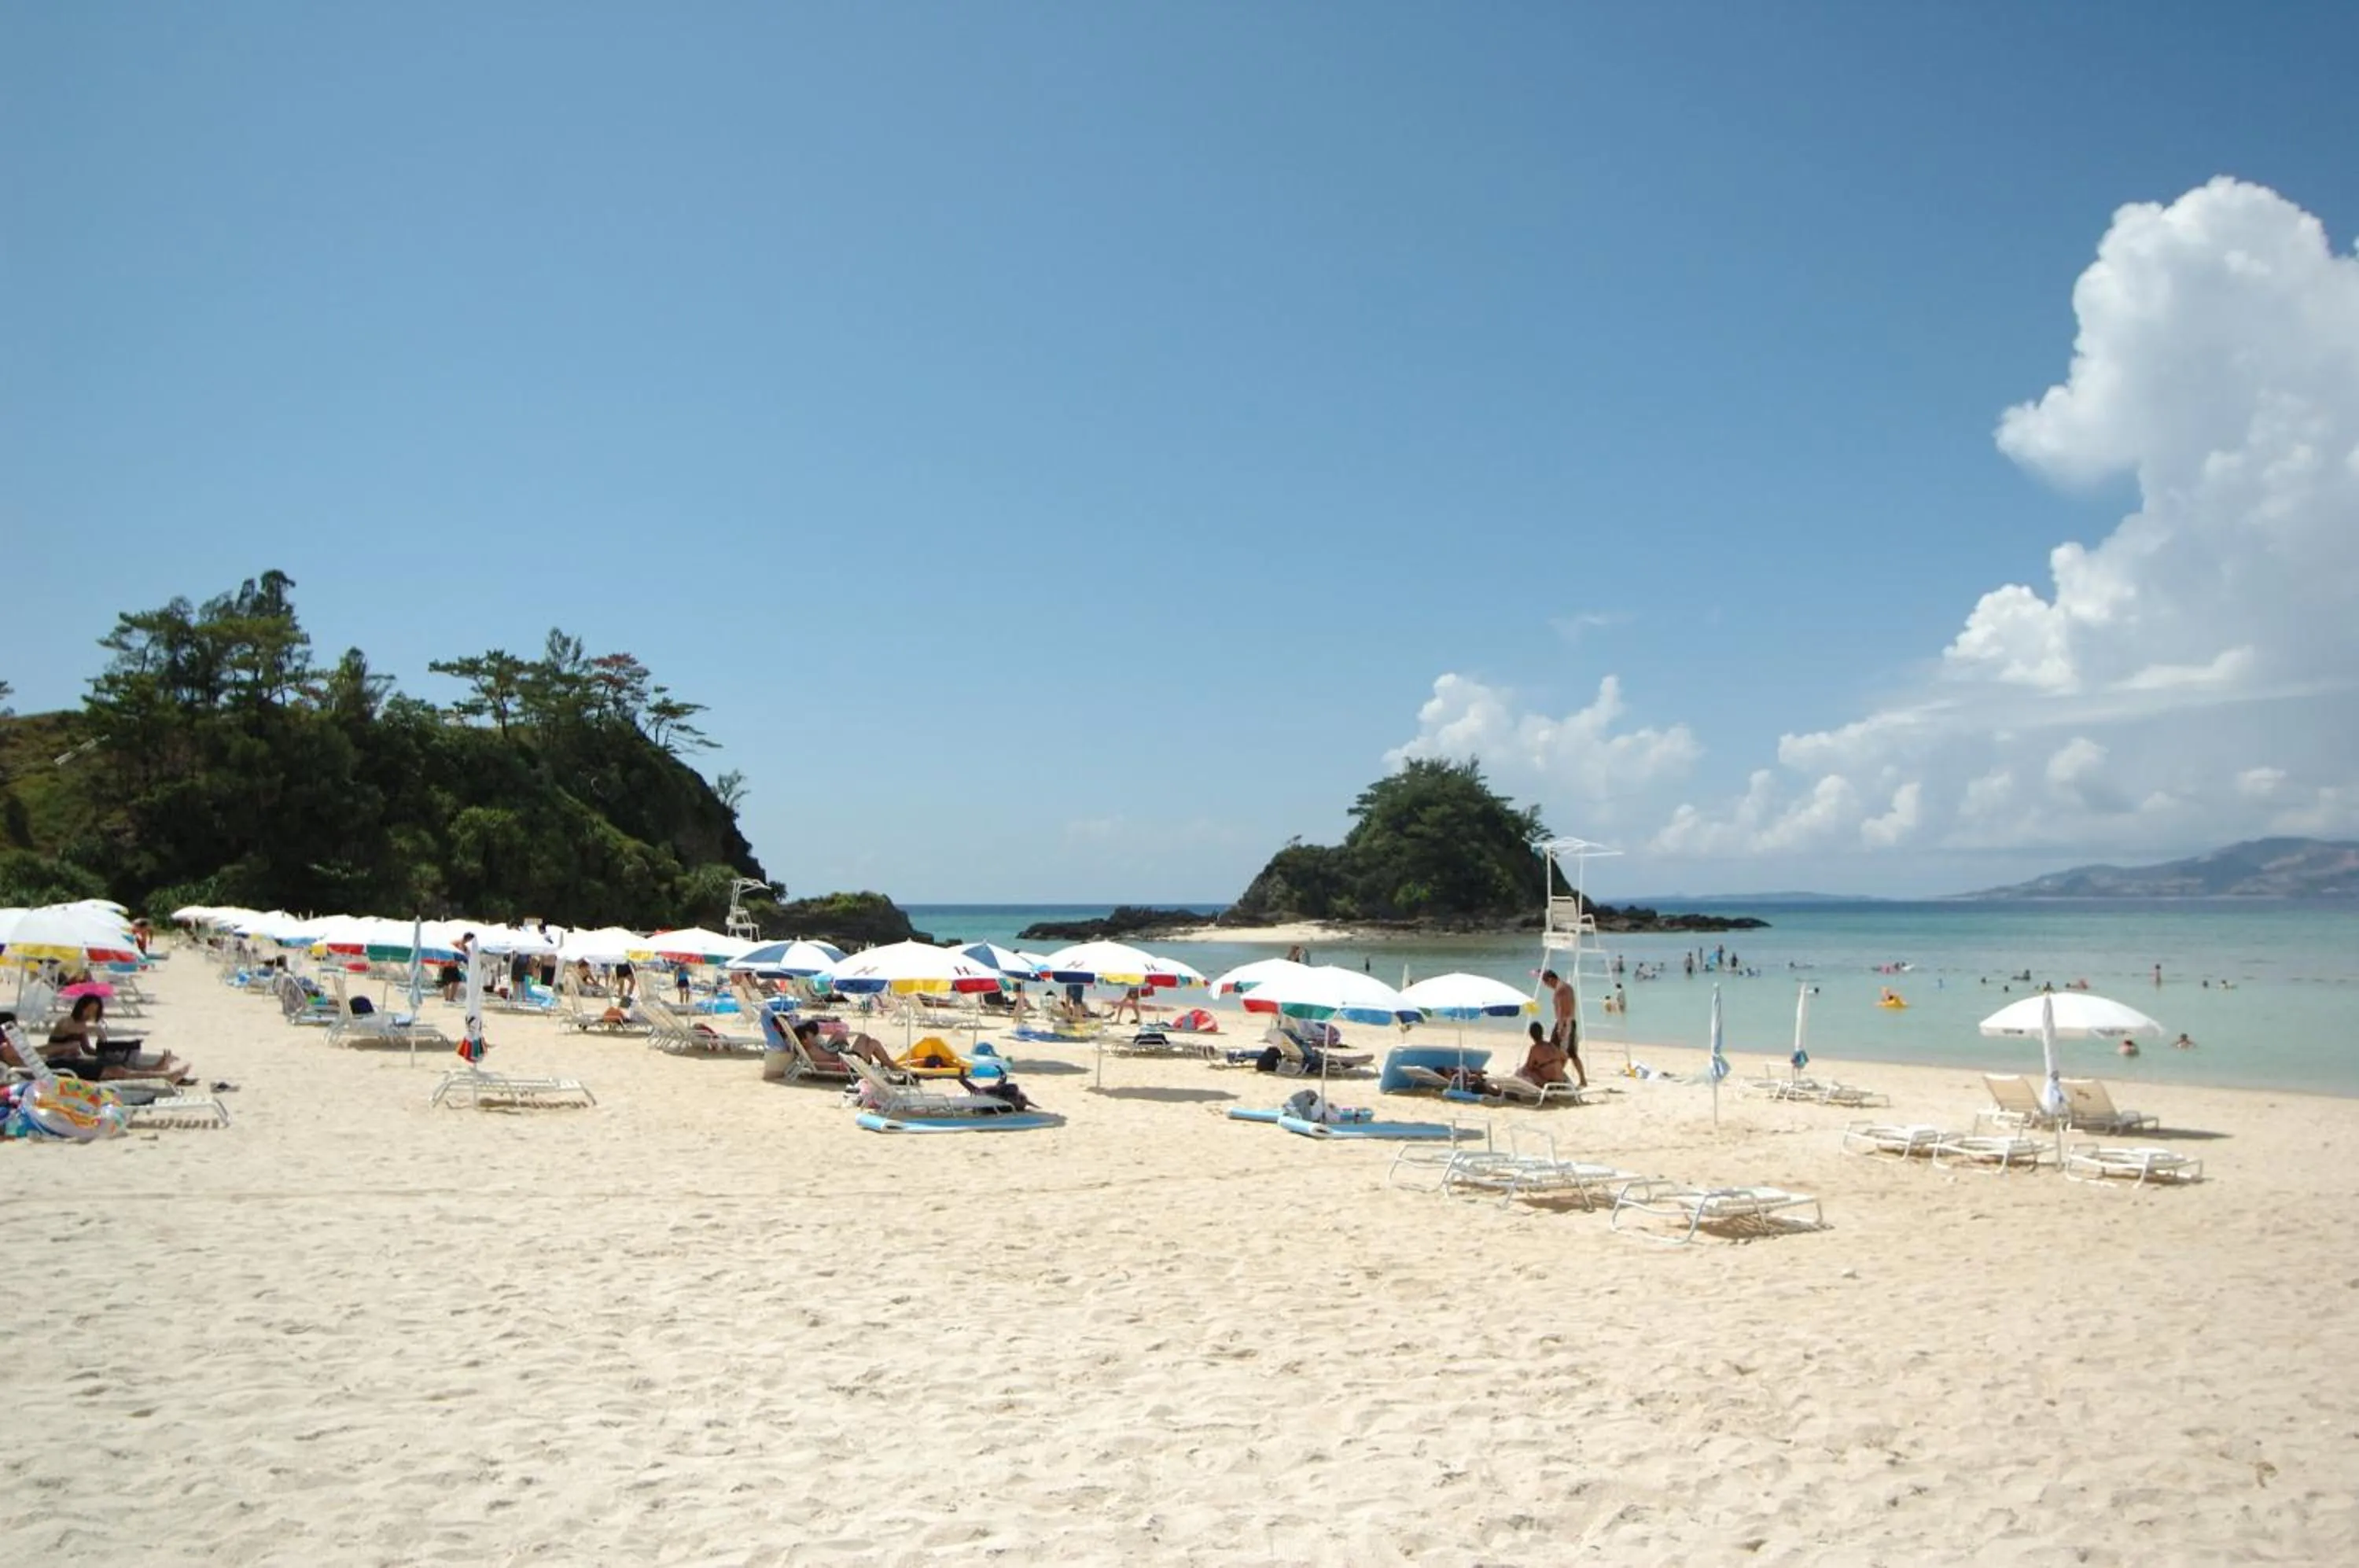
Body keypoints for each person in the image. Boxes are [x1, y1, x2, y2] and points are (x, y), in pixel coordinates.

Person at [42, 995, 190, 1083]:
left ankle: (156, 1071)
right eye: (89, 1009)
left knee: (117, 1063)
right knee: (117, 1071)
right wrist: (95, 1029)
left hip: (74, 1062)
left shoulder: (82, 1027)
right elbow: (71, 1029)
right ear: (81, 1007)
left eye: (94, 1011)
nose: (90, 1013)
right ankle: (162, 1076)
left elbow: (87, 1049)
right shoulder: (65, 1021)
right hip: (61, 1065)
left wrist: (102, 1049)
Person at [1540, 968, 1587, 1088]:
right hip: (1570, 1022)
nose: (1546, 986)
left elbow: (1562, 1010)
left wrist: (1561, 1028)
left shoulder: (1559, 990)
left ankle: (1557, 1078)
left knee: (1558, 1051)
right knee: (1571, 1053)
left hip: (1565, 1023)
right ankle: (1581, 1079)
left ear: (1551, 979)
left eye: (1546, 983)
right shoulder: (1567, 987)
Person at [1516, 1020, 1570, 1088]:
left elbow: (1529, 1067)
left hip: (1548, 1082)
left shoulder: (1535, 1049)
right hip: (1561, 1080)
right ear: (1542, 1032)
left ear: (1531, 1035)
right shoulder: (1552, 1045)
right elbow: (1565, 1057)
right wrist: (1560, 1067)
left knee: (1527, 1071)